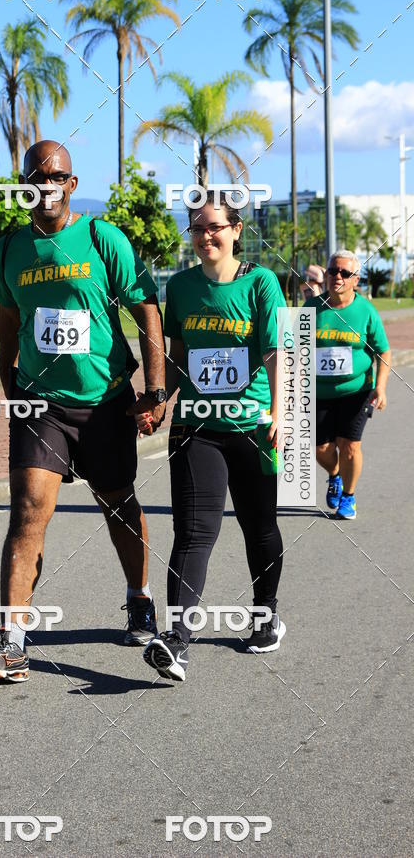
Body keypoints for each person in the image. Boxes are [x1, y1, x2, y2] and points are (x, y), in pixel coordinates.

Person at [0, 140, 167, 684]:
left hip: (104, 402)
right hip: (40, 405)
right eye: (36, 178)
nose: (45, 186)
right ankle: (11, 640)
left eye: (55, 177)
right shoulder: (10, 248)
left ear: (71, 185)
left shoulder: (103, 239)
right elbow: (9, 316)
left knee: (118, 502)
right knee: (29, 509)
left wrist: (155, 387)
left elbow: (146, 306)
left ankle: (139, 598)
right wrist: (9, 379)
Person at [139, 192, 287, 683]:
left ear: (236, 230)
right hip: (197, 427)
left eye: (216, 227)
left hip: (251, 426)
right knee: (193, 532)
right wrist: (160, 399)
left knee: (258, 527)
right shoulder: (180, 287)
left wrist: (281, 413)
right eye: (199, 228)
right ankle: (176, 641)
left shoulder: (260, 283)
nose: (207, 236)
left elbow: (274, 353)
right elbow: (178, 352)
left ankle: (265, 613)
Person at [306, 250, 391, 520]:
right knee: (321, 448)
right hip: (318, 392)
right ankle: (335, 475)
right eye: (333, 271)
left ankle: (349, 497)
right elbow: (294, 349)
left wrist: (381, 387)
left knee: (350, 445)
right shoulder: (312, 309)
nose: (337, 277)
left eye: (345, 273)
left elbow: (383, 351)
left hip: (357, 391)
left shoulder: (366, 311)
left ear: (356, 280)